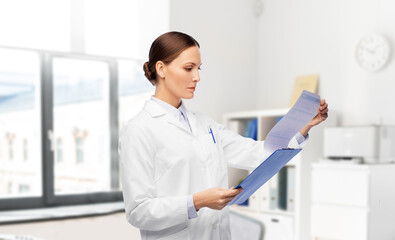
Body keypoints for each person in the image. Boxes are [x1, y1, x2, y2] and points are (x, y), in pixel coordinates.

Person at [118, 31, 328, 240]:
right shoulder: (139, 130)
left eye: (198, 69)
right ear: (161, 69)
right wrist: (197, 201)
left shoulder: (204, 124)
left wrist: (303, 127)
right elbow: (139, 211)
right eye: (188, 68)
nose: (197, 77)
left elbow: (257, 153)